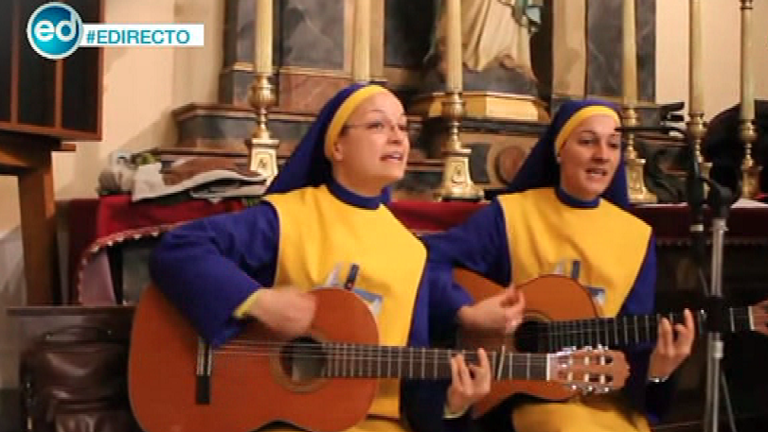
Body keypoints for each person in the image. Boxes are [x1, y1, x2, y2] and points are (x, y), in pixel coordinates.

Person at [149, 83, 525, 432]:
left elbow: (413, 381)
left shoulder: (410, 252)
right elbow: (180, 248)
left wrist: (453, 404)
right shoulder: (288, 217)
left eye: (402, 127)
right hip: (283, 420)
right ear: (336, 147)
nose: (398, 137)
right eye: (377, 125)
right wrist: (257, 301)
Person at [423, 99, 696, 432]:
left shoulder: (636, 236)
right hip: (524, 394)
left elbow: (632, 346)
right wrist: (465, 311)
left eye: (613, 144)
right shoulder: (510, 215)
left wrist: (657, 371)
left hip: (602, 399)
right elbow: (428, 261)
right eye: (587, 141)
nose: (602, 155)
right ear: (559, 150)